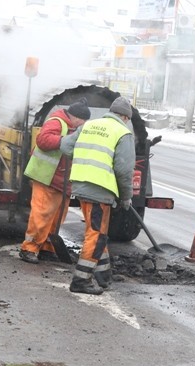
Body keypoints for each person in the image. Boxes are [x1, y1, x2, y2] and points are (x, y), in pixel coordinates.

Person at [61, 96, 135, 295]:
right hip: (99, 189)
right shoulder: (123, 132)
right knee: (96, 235)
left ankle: (103, 276)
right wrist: (126, 197)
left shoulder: (89, 125)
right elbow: (124, 170)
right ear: (126, 117)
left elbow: (65, 146)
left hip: (81, 185)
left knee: (97, 232)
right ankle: (81, 280)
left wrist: (85, 160)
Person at [19, 99, 91, 264]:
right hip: (47, 178)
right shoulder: (56, 122)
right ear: (75, 117)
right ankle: (29, 248)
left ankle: (47, 247)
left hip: (63, 180)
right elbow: (43, 141)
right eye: (82, 121)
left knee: (58, 217)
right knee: (42, 214)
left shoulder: (74, 127)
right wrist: (65, 140)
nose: (84, 124)